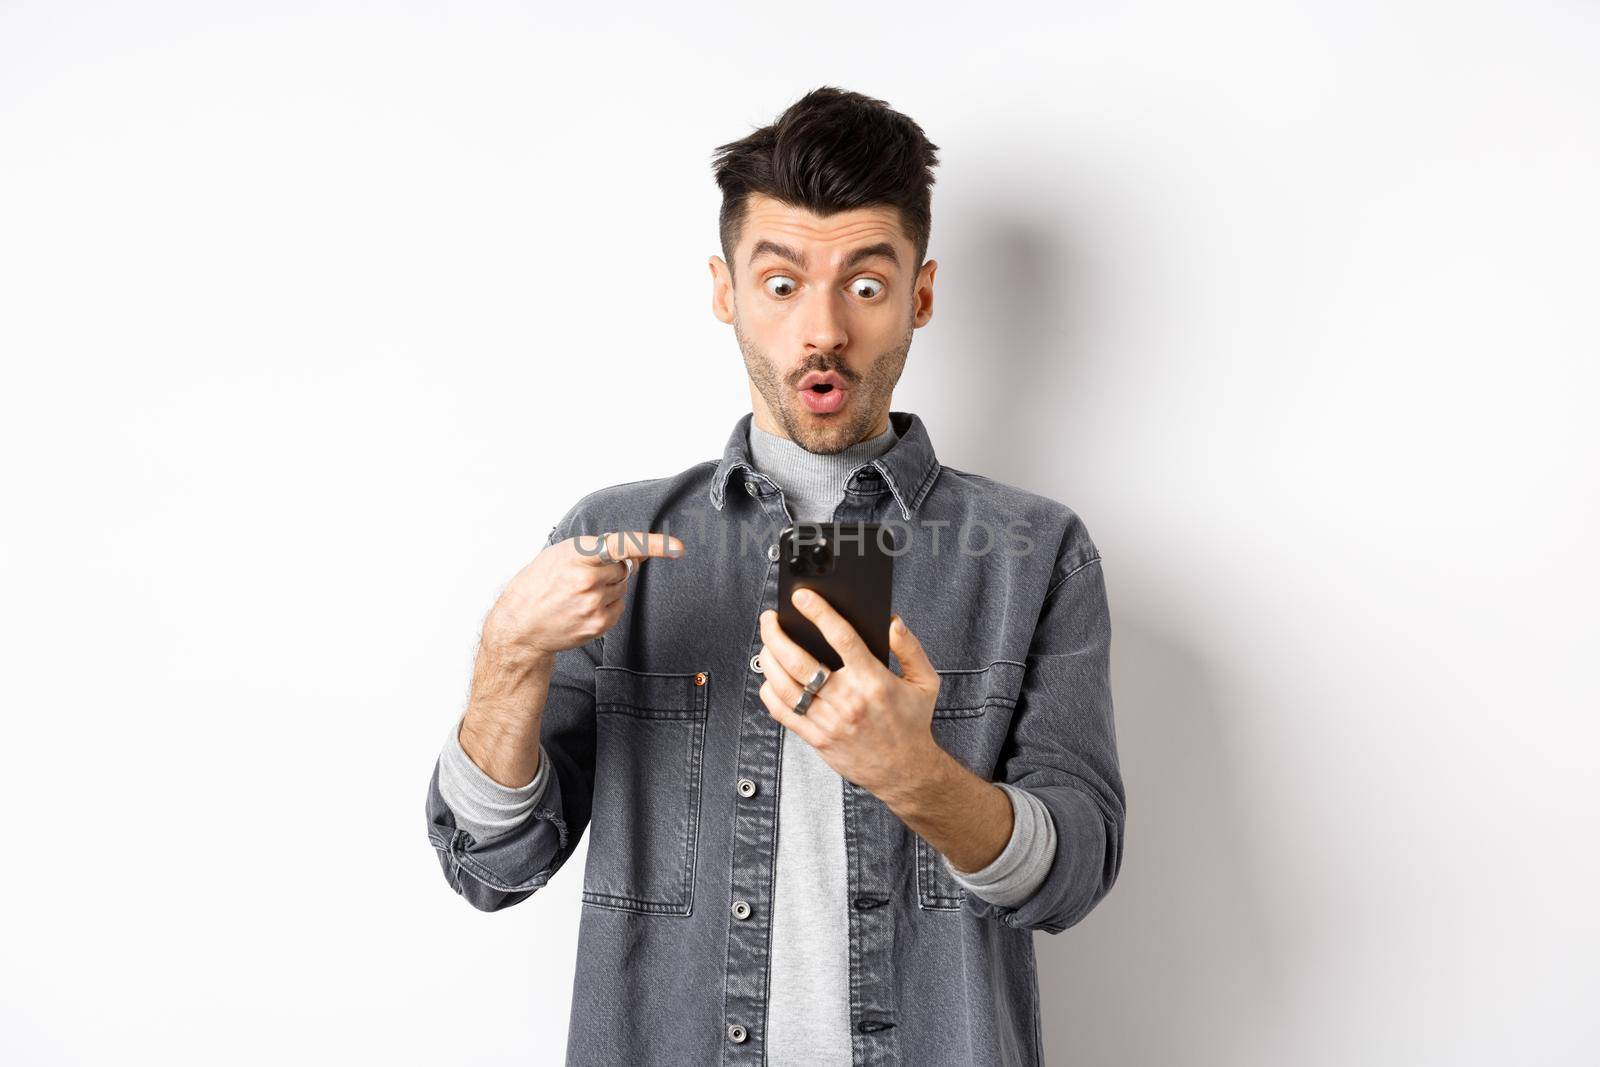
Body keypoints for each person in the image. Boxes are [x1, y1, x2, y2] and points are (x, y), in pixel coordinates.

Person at [424, 85, 1126, 1066]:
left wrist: (913, 775)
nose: (824, 329)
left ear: (921, 295)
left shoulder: (1034, 552)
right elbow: (493, 866)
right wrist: (504, 657)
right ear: (726, 292)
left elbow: (1073, 872)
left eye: (867, 286)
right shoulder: (612, 537)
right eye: (783, 282)